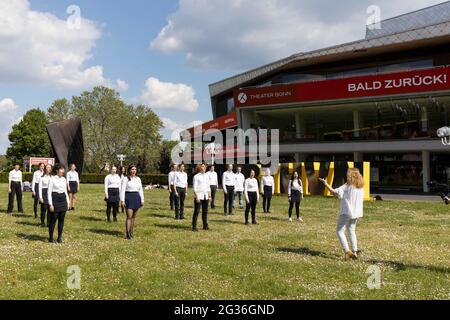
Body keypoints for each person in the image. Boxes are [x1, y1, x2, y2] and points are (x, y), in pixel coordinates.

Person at [319, 168, 365, 261]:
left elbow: (333, 192)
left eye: (348, 173)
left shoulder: (347, 186)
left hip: (346, 212)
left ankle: (347, 251)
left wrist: (325, 183)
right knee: (351, 230)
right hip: (356, 213)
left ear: (350, 175)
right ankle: (355, 251)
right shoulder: (360, 187)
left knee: (339, 230)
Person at [120, 165, 144, 240]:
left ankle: (131, 231)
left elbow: (140, 190)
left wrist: (142, 200)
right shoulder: (125, 179)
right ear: (129, 170)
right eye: (132, 169)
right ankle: (127, 234)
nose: (134, 171)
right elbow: (122, 190)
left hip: (136, 197)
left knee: (134, 217)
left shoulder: (138, 179)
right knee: (129, 216)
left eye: (135, 169)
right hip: (128, 197)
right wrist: (122, 200)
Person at [48, 164, 70, 244]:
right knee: (53, 219)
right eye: (61, 169)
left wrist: (68, 202)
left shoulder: (64, 179)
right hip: (55, 198)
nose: (63, 171)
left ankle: (59, 238)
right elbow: (49, 192)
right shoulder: (52, 179)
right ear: (57, 170)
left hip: (63, 199)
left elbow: (65, 191)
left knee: (61, 220)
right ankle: (50, 238)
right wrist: (51, 204)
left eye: (63, 169)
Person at [192, 163, 211, 232]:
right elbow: (194, 188)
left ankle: (205, 225)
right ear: (200, 168)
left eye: (204, 166)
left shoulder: (207, 176)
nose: (204, 167)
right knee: (196, 212)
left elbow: (208, 187)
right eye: (202, 166)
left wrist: (209, 196)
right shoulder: (196, 176)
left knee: (205, 212)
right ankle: (194, 226)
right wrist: (197, 197)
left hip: (206, 196)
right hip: (199, 196)